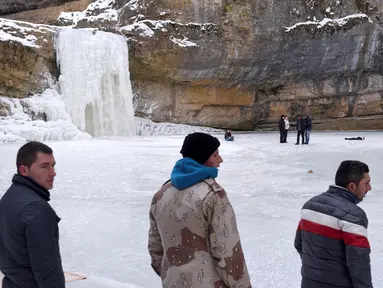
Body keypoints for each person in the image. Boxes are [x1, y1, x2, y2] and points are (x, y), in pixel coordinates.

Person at [148, 132, 252, 288]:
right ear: (203, 158)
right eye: (216, 155)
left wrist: (170, 274)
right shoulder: (213, 195)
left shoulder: (161, 194)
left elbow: (155, 247)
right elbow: (227, 251)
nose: (220, 160)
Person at [294, 160, 373, 288]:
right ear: (352, 186)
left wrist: (316, 271)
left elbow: (299, 244)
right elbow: (358, 262)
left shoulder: (309, 206)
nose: (369, 188)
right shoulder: (353, 216)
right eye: (367, 183)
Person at [0, 141, 65, 288]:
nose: (53, 172)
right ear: (24, 170)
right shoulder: (37, 210)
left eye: (53, 165)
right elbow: (47, 270)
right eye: (44, 167)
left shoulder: (8, 198)